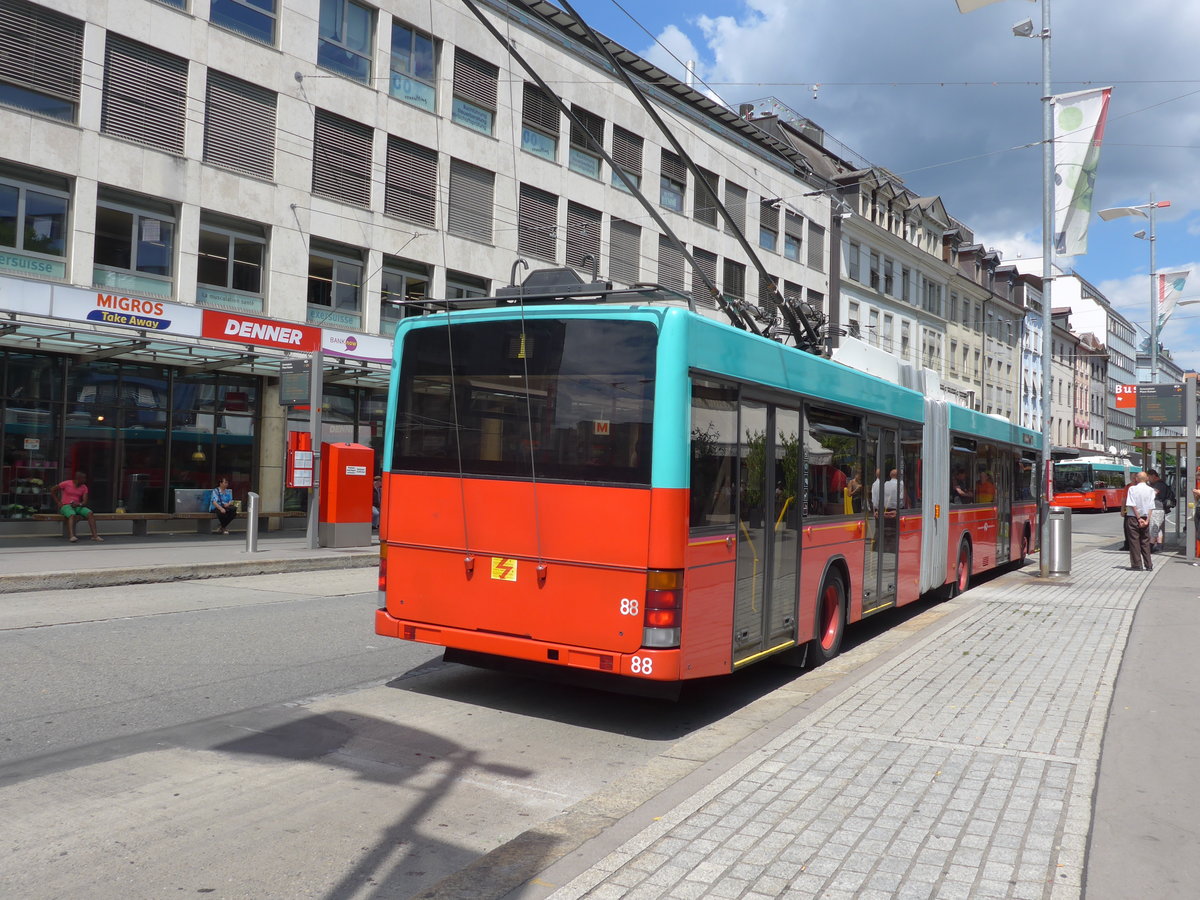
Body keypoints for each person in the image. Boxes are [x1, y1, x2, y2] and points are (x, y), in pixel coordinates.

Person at [50, 470, 103, 543]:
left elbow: (84, 502)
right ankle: (72, 536)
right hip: (66, 505)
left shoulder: (84, 487)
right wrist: (58, 502)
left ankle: (95, 536)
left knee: (90, 513)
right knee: (72, 514)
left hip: (77, 506)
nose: (85, 480)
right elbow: (52, 490)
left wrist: (79, 504)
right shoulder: (66, 483)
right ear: (78, 478)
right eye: (83, 478)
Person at [1123, 471, 1156, 571]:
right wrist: (1147, 520)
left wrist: (1138, 518)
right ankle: (1149, 564)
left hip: (1133, 517)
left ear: (1136, 479)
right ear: (1147, 479)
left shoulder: (1132, 489)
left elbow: (1132, 504)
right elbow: (1151, 506)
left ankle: (1137, 564)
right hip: (1146, 517)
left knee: (1134, 541)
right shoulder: (1150, 490)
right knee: (1145, 541)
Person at [1147, 469, 1175, 554]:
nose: (1148, 480)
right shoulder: (1162, 483)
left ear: (1153, 476)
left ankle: (1150, 547)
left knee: (1153, 528)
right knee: (1158, 528)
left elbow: (1152, 495)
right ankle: (1159, 546)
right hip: (1160, 508)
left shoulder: (1158, 484)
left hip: (1156, 508)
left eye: (1149, 477)